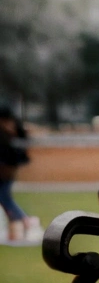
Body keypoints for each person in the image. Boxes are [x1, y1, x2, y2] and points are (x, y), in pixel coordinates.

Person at [0, 104, 40, 245]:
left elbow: (15, 152)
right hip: (6, 166)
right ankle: (20, 224)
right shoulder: (10, 130)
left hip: (7, 167)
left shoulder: (11, 131)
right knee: (4, 197)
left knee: (4, 197)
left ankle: (25, 221)